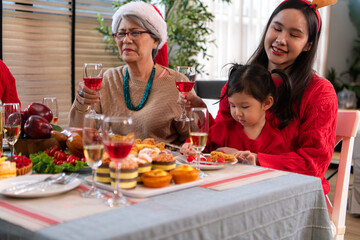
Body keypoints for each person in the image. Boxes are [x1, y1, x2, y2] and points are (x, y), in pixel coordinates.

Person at [179, 0, 338, 195]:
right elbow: (222, 138)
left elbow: (314, 163)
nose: (281, 39)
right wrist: (200, 110)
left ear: (308, 45)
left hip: (292, 192)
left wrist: (257, 158)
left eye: (294, 35)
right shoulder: (240, 82)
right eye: (276, 28)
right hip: (237, 186)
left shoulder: (319, 92)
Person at [68, 1, 190, 144]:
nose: (126, 39)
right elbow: (77, 136)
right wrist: (82, 101)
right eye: (121, 33)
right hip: (115, 163)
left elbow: (195, 139)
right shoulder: (108, 79)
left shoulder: (178, 83)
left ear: (156, 40)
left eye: (135, 33)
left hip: (161, 164)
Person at [183, 63, 292, 165]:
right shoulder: (223, 129)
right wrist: (190, 148)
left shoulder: (275, 141)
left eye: (244, 107)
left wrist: (242, 157)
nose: (237, 113)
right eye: (232, 106)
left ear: (267, 103)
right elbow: (198, 147)